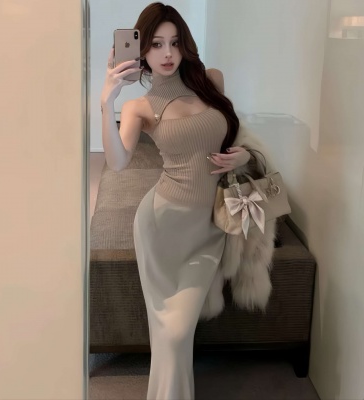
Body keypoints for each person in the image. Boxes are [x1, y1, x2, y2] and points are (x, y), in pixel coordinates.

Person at [100, 3, 273, 399]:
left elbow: (234, 137)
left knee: (176, 333)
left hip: (210, 228)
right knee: (171, 334)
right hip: (162, 228)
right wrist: (107, 102)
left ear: (185, 45)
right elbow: (118, 162)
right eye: (156, 44)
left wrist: (244, 157)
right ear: (140, 50)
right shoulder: (139, 107)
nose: (167, 54)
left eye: (175, 43)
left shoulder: (211, 81)